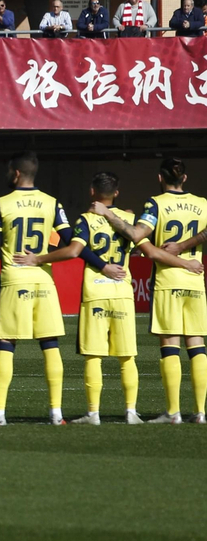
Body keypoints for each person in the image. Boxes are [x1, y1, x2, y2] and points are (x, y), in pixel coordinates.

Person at [13, 173, 147, 425]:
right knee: (127, 356)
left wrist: (38, 258)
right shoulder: (129, 219)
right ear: (116, 193)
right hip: (122, 293)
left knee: (93, 355)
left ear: (92, 191)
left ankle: (93, 414)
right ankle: (131, 412)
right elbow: (142, 245)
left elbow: (74, 251)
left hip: (96, 293)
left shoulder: (86, 219)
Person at [90, 157, 207, 423]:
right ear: (185, 178)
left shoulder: (155, 204)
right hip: (196, 279)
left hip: (168, 281)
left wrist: (109, 214)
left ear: (159, 178)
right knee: (197, 346)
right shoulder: (202, 204)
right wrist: (188, 245)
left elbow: (136, 235)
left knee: (170, 346)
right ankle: (201, 412)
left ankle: (173, 412)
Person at [0, 152, 72, 426]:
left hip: (14, 280)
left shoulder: (3, 204)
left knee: (6, 344)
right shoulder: (52, 203)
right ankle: (56, 415)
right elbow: (72, 242)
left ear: (16, 173)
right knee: (50, 344)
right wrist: (43, 256)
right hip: (43, 281)